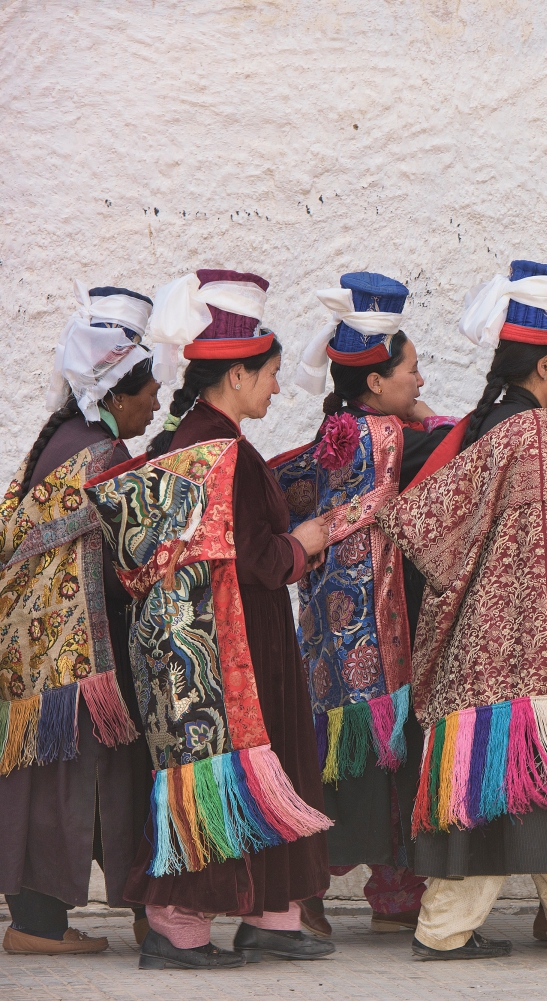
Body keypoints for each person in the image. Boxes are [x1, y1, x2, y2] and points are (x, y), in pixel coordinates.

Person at [377, 259, 547, 959]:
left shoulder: (487, 424)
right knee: (491, 794)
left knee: (546, 777)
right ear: (546, 363)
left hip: (477, 642)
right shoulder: (534, 438)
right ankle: (442, 929)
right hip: (514, 652)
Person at [88, 268, 336, 970]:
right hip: (232, 648)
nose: (276, 389)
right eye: (270, 374)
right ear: (235, 376)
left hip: (192, 648)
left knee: (246, 772)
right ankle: (177, 923)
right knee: (224, 775)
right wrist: (306, 544)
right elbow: (255, 558)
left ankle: (271, 913)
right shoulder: (220, 451)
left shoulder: (186, 439)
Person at [273, 273, 458, 938]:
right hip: (372, 638)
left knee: (347, 760)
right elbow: (455, 443)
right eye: (411, 368)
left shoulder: (339, 429)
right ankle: (320, 892)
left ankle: (381, 890)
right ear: (376, 381)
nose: (419, 378)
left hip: (329, 625)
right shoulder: (380, 435)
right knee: (370, 765)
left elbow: (286, 480)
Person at [1, 283, 161, 955]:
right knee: (82, 784)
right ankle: (40, 927)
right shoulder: (99, 457)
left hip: (37, 661)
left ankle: (39, 921)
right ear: (116, 394)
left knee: (52, 786)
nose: (156, 402)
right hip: (74, 665)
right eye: (148, 389)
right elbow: (123, 563)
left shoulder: (66, 438)